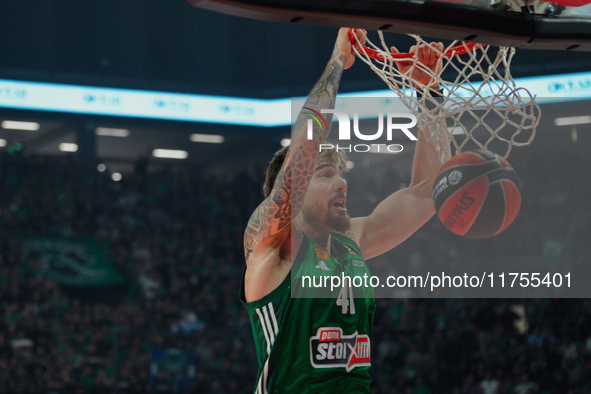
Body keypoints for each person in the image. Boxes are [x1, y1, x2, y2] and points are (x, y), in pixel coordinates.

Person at [241, 27, 448, 393]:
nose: (342, 183)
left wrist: (430, 91)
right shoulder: (272, 247)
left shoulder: (351, 240)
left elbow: (429, 191)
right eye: (325, 174)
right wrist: (338, 62)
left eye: (340, 174)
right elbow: (304, 147)